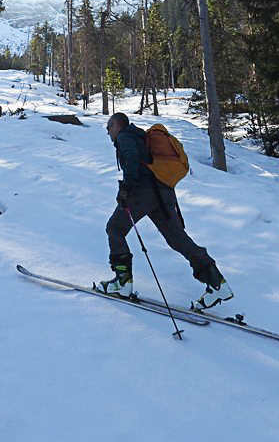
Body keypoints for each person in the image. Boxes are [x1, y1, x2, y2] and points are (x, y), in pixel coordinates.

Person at [96, 112, 234, 310]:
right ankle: (217, 283)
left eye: (108, 128)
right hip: (164, 193)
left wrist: (126, 189)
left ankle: (123, 282)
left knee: (115, 228)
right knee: (178, 239)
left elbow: (132, 160)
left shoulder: (125, 136)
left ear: (116, 125)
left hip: (144, 193)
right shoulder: (140, 136)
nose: (108, 133)